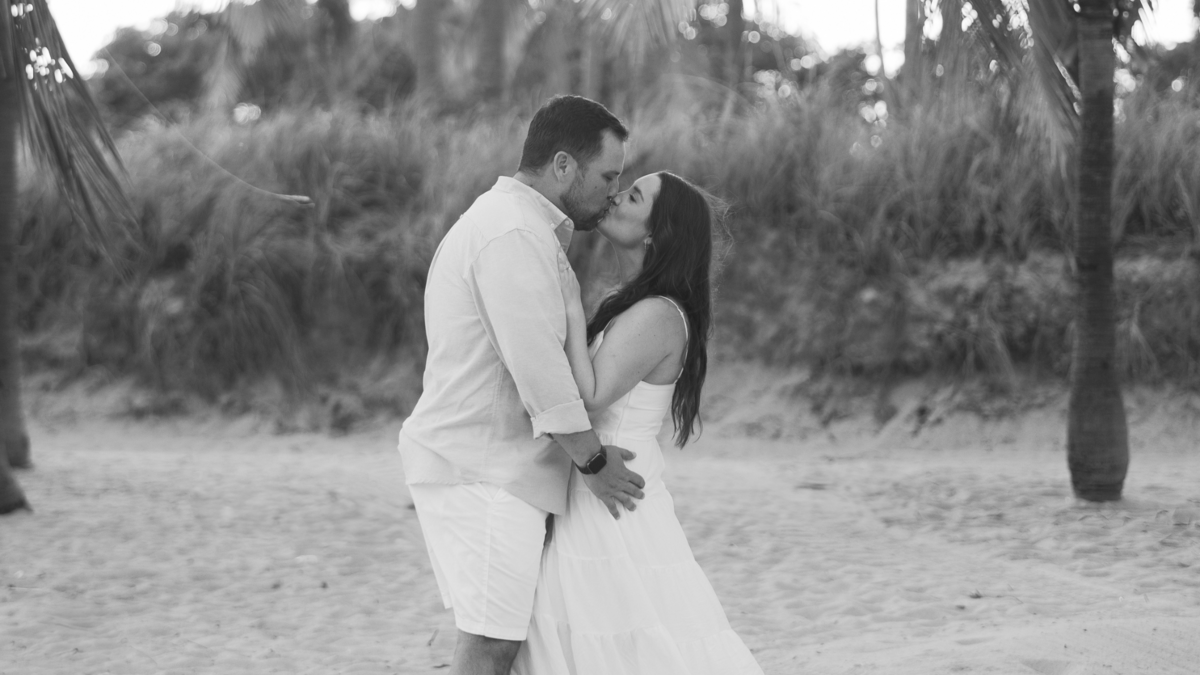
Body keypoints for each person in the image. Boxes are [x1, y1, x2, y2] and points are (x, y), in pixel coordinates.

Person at [397, 95, 647, 675]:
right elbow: (537, 367)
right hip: (484, 471)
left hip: (495, 470)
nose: (613, 191)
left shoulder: (520, 228)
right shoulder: (509, 233)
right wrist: (593, 461)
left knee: (503, 645)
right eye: (608, 175)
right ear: (563, 166)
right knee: (491, 645)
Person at [511, 172, 764, 674]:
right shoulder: (636, 305)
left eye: (632, 196)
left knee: (629, 641)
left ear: (655, 232)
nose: (614, 197)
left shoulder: (658, 315)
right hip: (599, 485)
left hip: (614, 496)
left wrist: (565, 302)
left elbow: (589, 394)